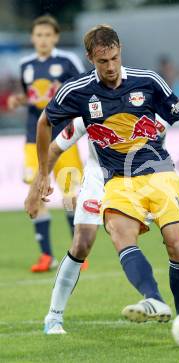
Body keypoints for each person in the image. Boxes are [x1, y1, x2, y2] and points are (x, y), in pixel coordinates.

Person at [33, 24, 179, 326]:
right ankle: (58, 316)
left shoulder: (148, 84)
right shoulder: (80, 97)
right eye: (102, 61)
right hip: (108, 177)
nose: (110, 67)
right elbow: (52, 137)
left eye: (114, 59)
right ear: (90, 59)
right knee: (88, 240)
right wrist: (40, 178)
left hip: (157, 172)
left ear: (121, 51)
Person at [25, 117, 179, 334]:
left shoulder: (154, 97)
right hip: (103, 177)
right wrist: (36, 186)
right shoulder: (91, 106)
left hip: (152, 175)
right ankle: (54, 315)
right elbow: (56, 146)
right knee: (82, 242)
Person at [7, 15, 85, 272]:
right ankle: (46, 255)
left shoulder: (67, 61)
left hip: (65, 137)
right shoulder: (26, 64)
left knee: (70, 195)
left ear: (56, 37)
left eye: (47, 35)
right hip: (34, 139)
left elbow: (83, 89)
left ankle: (78, 254)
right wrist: (20, 100)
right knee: (36, 191)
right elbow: (33, 96)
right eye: (38, 35)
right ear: (32, 38)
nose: (42, 39)